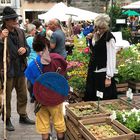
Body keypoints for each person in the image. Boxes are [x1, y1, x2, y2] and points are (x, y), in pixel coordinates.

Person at [25, 34, 68, 140]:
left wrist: (34, 96)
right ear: (48, 46)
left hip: (41, 100)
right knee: (59, 121)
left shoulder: (32, 65)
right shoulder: (58, 59)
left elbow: (30, 86)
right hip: (56, 98)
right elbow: (64, 78)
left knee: (43, 125)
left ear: (34, 49)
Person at [0, 6, 35, 131]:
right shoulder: (0, 33)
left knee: (22, 94)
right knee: (7, 97)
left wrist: (25, 49)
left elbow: (28, 48)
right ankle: (7, 118)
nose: (16, 20)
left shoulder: (20, 31)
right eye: (13, 19)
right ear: (6, 21)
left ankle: (23, 115)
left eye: (16, 18)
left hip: (20, 68)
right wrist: (0, 40)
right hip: (7, 70)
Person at [84, 14, 117, 101]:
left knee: (103, 99)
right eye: (98, 27)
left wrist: (108, 77)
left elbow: (111, 58)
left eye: (103, 28)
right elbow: (95, 51)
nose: (100, 30)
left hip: (102, 73)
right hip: (93, 71)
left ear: (107, 26)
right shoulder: (97, 35)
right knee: (93, 98)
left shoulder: (110, 39)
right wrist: (91, 39)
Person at [26, 23, 38, 103]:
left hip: (29, 60)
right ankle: (34, 95)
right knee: (34, 79)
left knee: (29, 78)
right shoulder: (32, 39)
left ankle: (31, 95)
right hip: (34, 60)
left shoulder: (26, 38)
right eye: (34, 29)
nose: (35, 31)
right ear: (31, 30)